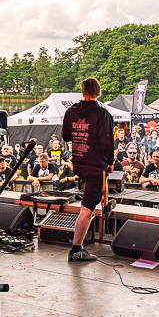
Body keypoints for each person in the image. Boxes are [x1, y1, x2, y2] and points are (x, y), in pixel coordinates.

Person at [62, 77, 115, 262]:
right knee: (86, 209)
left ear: (83, 91)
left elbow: (66, 136)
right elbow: (107, 142)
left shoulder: (71, 111)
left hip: (79, 163)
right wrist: (110, 161)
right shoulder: (102, 114)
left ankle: (106, 205)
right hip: (95, 166)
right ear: (98, 91)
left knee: (99, 185)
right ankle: (76, 250)